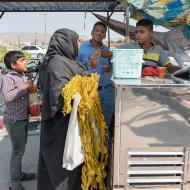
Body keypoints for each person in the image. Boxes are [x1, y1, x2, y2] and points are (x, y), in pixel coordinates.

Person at [37, 28, 89, 190]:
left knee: (53, 162)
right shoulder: (59, 64)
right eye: (78, 41)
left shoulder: (53, 60)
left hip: (54, 125)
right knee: (63, 165)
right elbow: (57, 97)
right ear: (67, 43)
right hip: (63, 126)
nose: (79, 45)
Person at [0, 51, 37, 190]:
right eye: (22, 60)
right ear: (13, 65)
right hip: (15, 121)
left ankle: (18, 174)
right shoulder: (8, 77)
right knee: (17, 151)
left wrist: (30, 89)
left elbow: (22, 93)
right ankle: (14, 182)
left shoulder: (21, 76)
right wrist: (25, 87)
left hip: (22, 118)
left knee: (20, 149)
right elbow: (8, 96)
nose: (26, 62)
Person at [91, 19, 180, 73]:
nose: (138, 35)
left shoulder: (158, 50)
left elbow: (170, 67)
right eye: (137, 32)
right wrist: (100, 52)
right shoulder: (129, 46)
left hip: (152, 90)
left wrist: (184, 71)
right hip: (132, 90)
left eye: (142, 32)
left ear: (151, 34)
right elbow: (110, 53)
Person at [78, 21, 115, 137]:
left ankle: (104, 151)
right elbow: (75, 67)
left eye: (102, 32)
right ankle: (91, 152)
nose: (99, 33)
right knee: (90, 123)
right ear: (92, 32)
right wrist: (84, 71)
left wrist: (110, 67)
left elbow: (114, 65)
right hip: (90, 91)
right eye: (97, 31)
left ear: (104, 35)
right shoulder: (82, 48)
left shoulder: (107, 50)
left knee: (106, 123)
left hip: (107, 91)